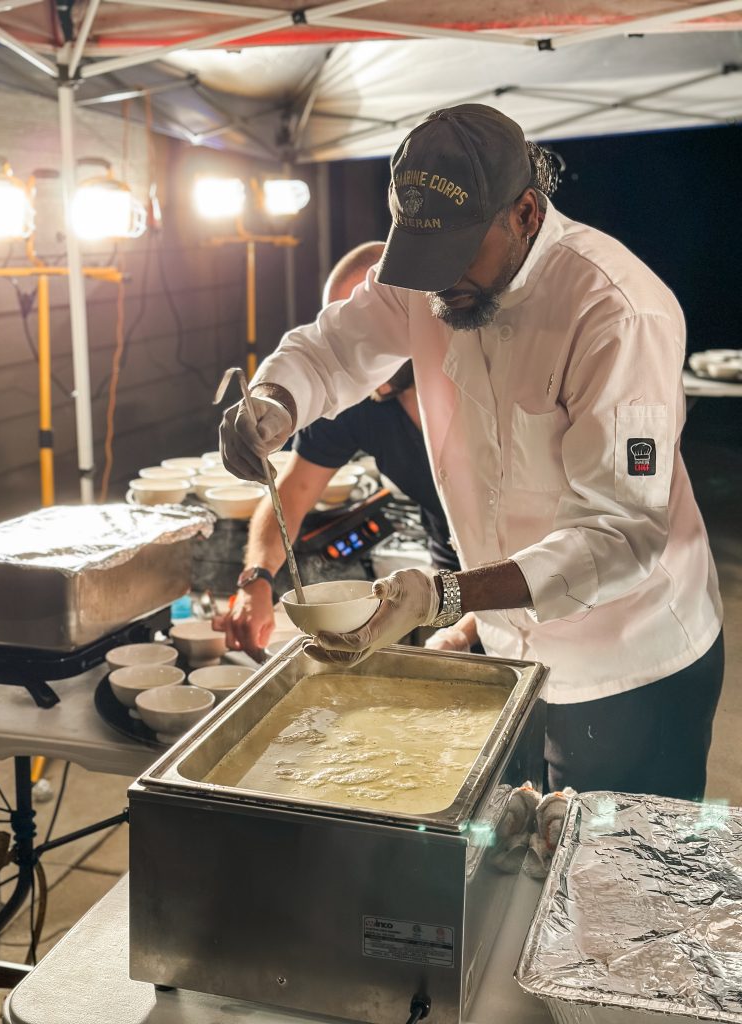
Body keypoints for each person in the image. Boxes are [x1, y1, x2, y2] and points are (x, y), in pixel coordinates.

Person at [219, 104, 724, 800]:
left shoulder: (614, 311)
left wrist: (442, 596)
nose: (436, 283)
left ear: (525, 213)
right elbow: (333, 345)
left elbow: (621, 534)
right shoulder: (427, 276)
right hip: (513, 650)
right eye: (421, 258)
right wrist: (274, 401)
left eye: (457, 255)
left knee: (611, 863)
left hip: (630, 664)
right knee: (519, 846)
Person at [213, 242, 459, 661]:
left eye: (368, 326)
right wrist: (257, 579)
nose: (362, 347)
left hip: (525, 587)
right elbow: (291, 495)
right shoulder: (357, 402)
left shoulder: (470, 381)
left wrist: (466, 628)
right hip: (445, 581)